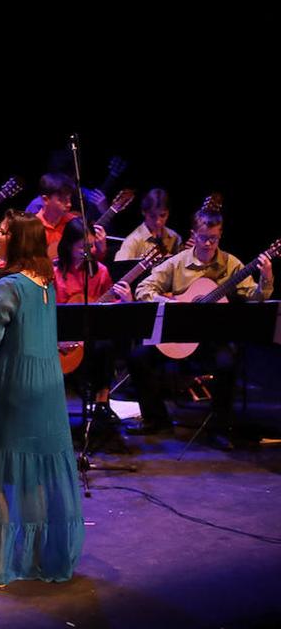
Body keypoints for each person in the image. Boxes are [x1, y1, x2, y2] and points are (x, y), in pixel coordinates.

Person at [0, 211, 84, 588]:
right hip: (46, 386)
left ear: (19, 241)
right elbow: (18, 319)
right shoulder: (46, 281)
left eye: (5, 231)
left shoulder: (6, 286)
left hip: (12, 388)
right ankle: (37, 557)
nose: (0, 234)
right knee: (35, 474)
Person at [129, 207, 273, 445]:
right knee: (138, 357)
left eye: (214, 238)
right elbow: (143, 288)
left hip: (212, 341)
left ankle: (219, 428)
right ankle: (157, 420)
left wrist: (266, 276)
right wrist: (169, 302)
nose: (208, 244)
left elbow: (256, 298)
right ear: (193, 234)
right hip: (178, 339)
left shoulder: (231, 264)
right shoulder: (177, 263)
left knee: (227, 363)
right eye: (204, 238)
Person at [52, 219, 132, 441]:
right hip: (61, 344)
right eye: (82, 247)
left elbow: (108, 312)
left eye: (92, 246)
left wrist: (126, 302)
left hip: (93, 344)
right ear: (68, 245)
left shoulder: (101, 272)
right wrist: (57, 341)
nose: (89, 251)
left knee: (107, 346)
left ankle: (101, 402)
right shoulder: (54, 272)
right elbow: (45, 313)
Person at [115, 188, 181, 261]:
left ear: (168, 213)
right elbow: (119, 268)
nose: (158, 222)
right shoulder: (133, 240)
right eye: (152, 216)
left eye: (162, 215)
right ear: (144, 212)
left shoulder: (174, 238)